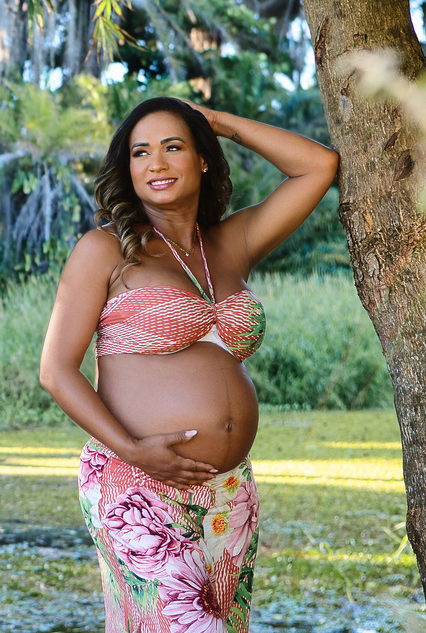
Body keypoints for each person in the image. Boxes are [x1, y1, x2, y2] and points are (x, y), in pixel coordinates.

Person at [39, 97, 338, 632]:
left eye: (173, 147)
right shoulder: (104, 251)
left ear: (202, 157)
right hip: (138, 483)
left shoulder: (228, 246)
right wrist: (133, 450)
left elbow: (318, 166)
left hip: (230, 493)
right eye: (140, 152)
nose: (155, 163)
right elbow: (57, 370)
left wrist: (216, 122)